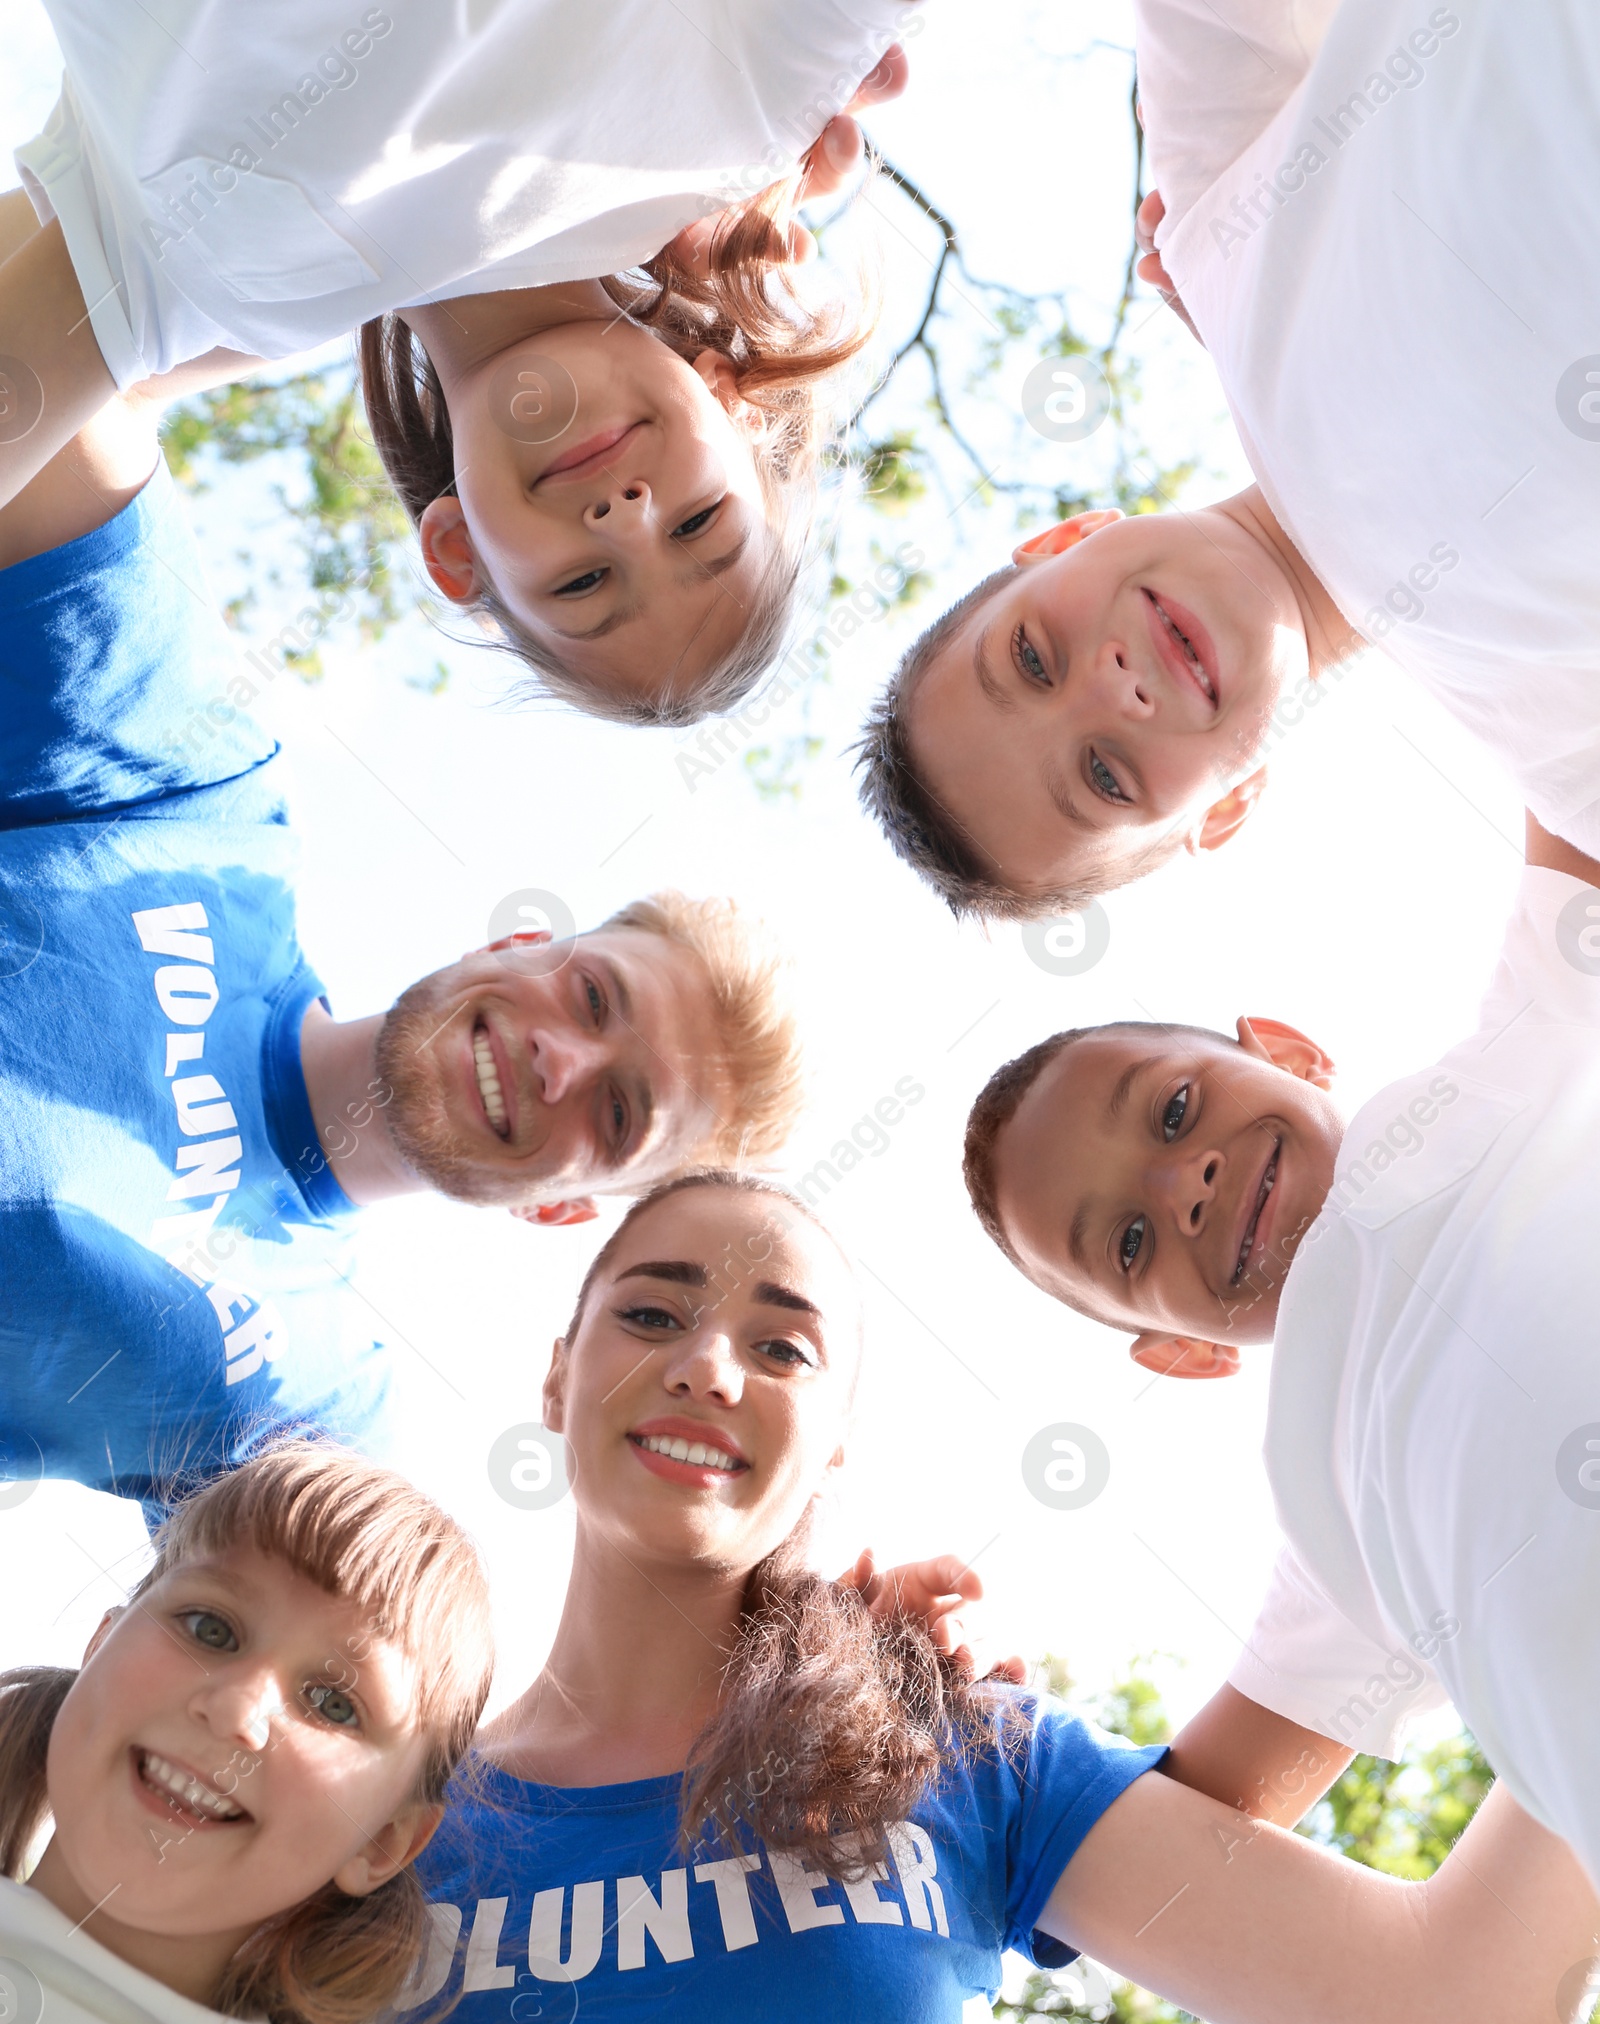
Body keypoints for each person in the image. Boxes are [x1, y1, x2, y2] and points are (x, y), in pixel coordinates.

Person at [373, 1170, 1596, 2024]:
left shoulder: (950, 1755)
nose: (708, 1367)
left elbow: (1473, 2015)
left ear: (835, 1445)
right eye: (650, 1315)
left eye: (782, 1346)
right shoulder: (370, 1842)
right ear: (555, 1373)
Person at [0, 381, 804, 1517]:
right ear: (524, 942)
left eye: (617, 1114)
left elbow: (381, 1657)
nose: (559, 1061)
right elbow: (65, 417)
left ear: (564, 1212)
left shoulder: (311, 1406)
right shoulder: (207, 812)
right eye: (590, 994)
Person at [960, 817, 1600, 1895]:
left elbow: (1562, 744)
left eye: (1173, 1110)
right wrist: (954, 1743)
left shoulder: (1524, 1041)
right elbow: (1177, 1836)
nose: (1183, 1187)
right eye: (1128, 1241)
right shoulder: (1330, 1510)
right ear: (1180, 1355)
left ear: (1291, 1051)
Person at [856, 0, 1600, 919]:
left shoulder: (1220, 219)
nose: (1111, 687)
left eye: (1034, 659)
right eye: (1103, 775)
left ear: (1063, 539)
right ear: (1229, 808)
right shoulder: (1557, 739)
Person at [1, 2, 917, 723]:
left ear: (457, 555)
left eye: (584, 583)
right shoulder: (730, 116)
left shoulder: (221, 290)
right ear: (729, 400)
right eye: (699, 524)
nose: (628, 519)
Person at [0, 1443, 496, 2024]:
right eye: (209, 1626)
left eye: (332, 1702)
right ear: (101, 1642)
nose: (236, 1710)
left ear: (387, 1844)